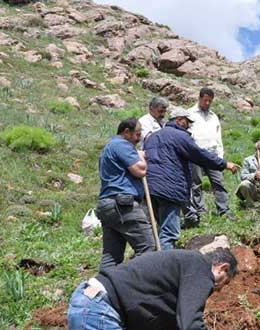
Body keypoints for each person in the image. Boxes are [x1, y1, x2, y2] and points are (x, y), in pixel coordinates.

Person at [67, 248, 238, 330]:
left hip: (89, 303)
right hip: (100, 309)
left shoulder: (182, 268)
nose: (220, 290)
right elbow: (191, 324)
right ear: (222, 268)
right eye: (226, 282)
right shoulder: (201, 267)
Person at [144, 107, 239, 250]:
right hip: (169, 188)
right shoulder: (180, 136)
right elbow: (199, 155)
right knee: (169, 233)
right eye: (188, 122)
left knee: (159, 229)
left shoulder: (152, 137)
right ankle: (165, 267)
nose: (189, 126)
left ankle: (152, 261)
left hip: (150, 189)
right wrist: (224, 164)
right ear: (179, 120)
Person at [96, 118, 155, 271]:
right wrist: (140, 157)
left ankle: (104, 290)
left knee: (111, 257)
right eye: (137, 134)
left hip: (107, 205)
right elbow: (140, 170)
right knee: (148, 248)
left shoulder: (109, 147)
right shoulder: (122, 145)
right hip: (123, 204)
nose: (138, 138)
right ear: (126, 132)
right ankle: (137, 286)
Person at [184, 87, 233, 225]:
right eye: (205, 100)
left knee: (219, 182)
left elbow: (218, 137)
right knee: (196, 183)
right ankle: (200, 210)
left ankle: (224, 210)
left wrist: (220, 155)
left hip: (212, 154)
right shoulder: (190, 114)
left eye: (210, 101)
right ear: (199, 98)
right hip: (196, 154)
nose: (207, 103)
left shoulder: (213, 116)